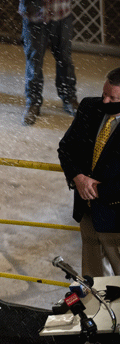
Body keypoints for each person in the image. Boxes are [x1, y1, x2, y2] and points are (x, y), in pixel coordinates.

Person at [58, 67, 120, 277]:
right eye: (104, 94)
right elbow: (66, 148)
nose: (105, 102)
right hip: (87, 212)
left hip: (116, 216)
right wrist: (78, 178)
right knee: (93, 281)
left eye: (113, 98)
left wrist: (96, 191)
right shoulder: (88, 107)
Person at [14, 0, 79, 126]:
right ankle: (33, 102)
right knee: (34, 60)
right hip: (34, 15)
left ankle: (69, 98)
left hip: (60, 14)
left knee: (64, 58)